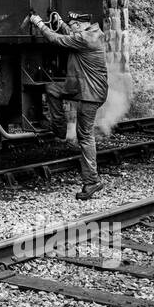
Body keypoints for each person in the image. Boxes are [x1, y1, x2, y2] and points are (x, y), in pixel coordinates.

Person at [27, 11, 108, 199]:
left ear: (80, 26)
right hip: (81, 86)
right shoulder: (90, 33)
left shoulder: (87, 39)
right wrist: (61, 22)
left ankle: (92, 181)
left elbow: (57, 40)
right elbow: (71, 36)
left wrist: (39, 24)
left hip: (90, 92)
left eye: (72, 25)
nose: (71, 28)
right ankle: (59, 128)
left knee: (85, 135)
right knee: (53, 89)